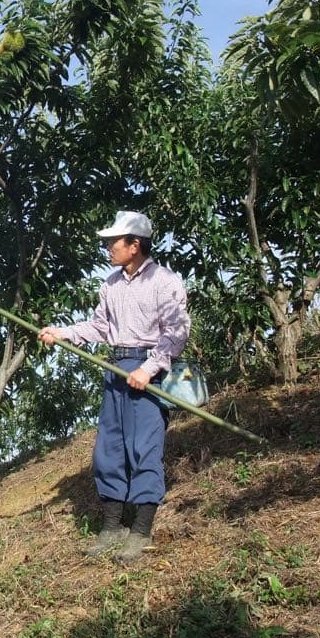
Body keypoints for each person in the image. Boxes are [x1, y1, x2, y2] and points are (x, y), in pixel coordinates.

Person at [39, 210, 190, 565]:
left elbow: (176, 333)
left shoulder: (165, 282)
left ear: (134, 245)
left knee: (144, 449)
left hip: (148, 372)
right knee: (109, 448)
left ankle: (140, 530)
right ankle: (111, 527)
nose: (108, 247)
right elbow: (100, 328)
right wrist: (62, 333)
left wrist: (149, 368)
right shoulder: (110, 284)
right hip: (115, 368)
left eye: (113, 242)